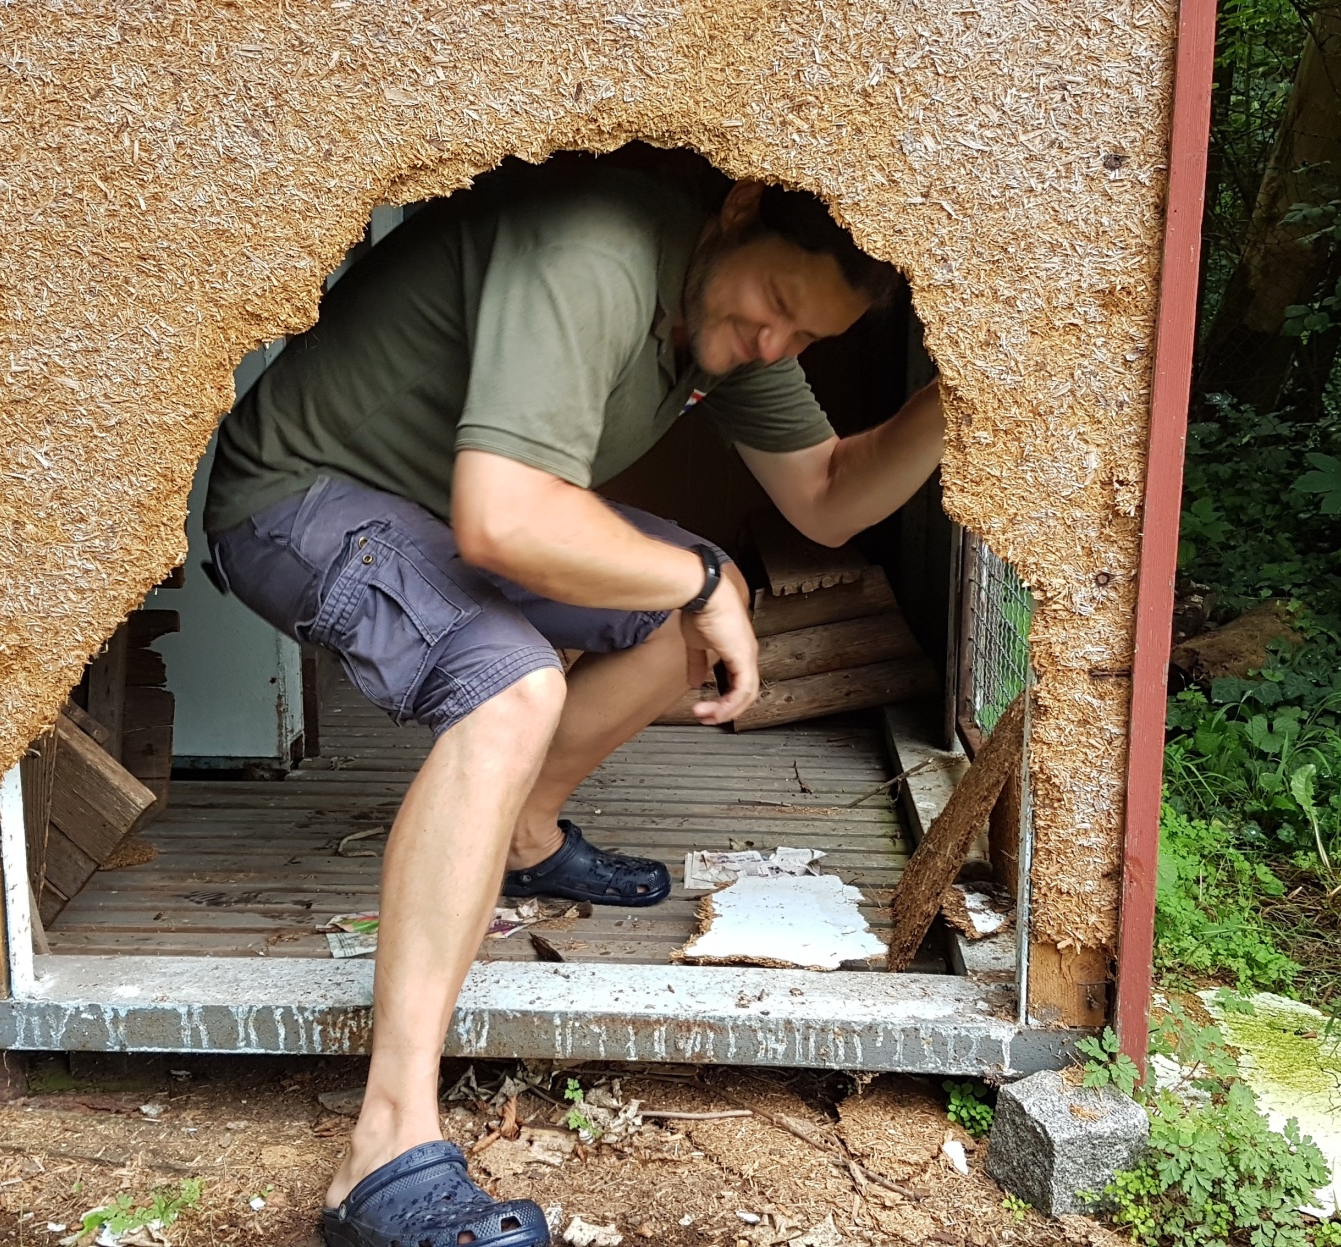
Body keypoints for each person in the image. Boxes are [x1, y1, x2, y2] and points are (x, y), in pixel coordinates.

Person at [201, 162, 945, 1247]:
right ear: (736, 212)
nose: (772, 343)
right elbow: (503, 520)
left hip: (438, 508)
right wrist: (700, 576)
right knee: (514, 680)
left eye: (804, 336)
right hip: (295, 501)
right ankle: (385, 1146)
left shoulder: (724, 320)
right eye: (776, 305)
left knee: (698, 606)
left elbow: (829, 497)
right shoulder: (597, 251)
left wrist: (957, 399)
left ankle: (523, 834)